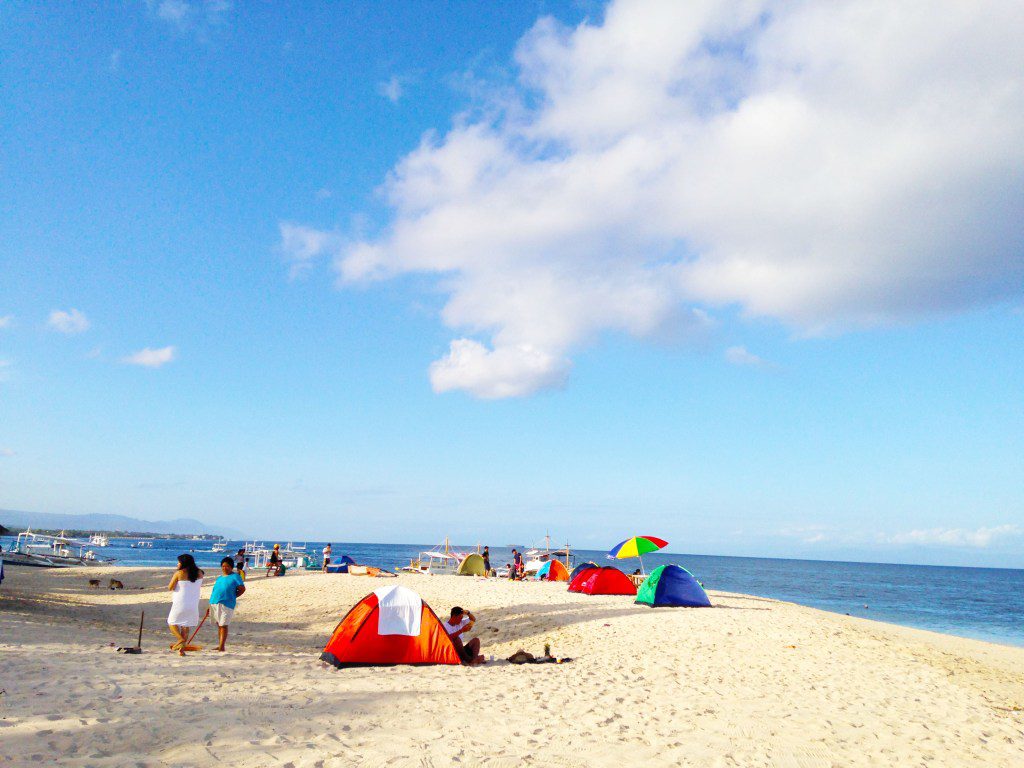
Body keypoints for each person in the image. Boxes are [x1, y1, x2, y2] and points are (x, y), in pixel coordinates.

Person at [167, 554, 204, 656]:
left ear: (183, 563)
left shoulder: (179, 573)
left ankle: (180, 639)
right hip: (193, 603)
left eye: (179, 562)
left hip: (180, 602)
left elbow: (170, 587)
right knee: (185, 625)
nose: (177, 564)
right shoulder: (200, 573)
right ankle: (181, 650)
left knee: (171, 622)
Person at [209, 556, 246, 652]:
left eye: (227, 566)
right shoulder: (220, 578)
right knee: (219, 624)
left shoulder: (235, 577)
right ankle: (220, 645)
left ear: (231, 567)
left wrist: (233, 596)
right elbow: (214, 591)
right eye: (223, 566)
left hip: (227, 604)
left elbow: (242, 589)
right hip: (214, 602)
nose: (225, 568)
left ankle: (221, 646)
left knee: (223, 625)